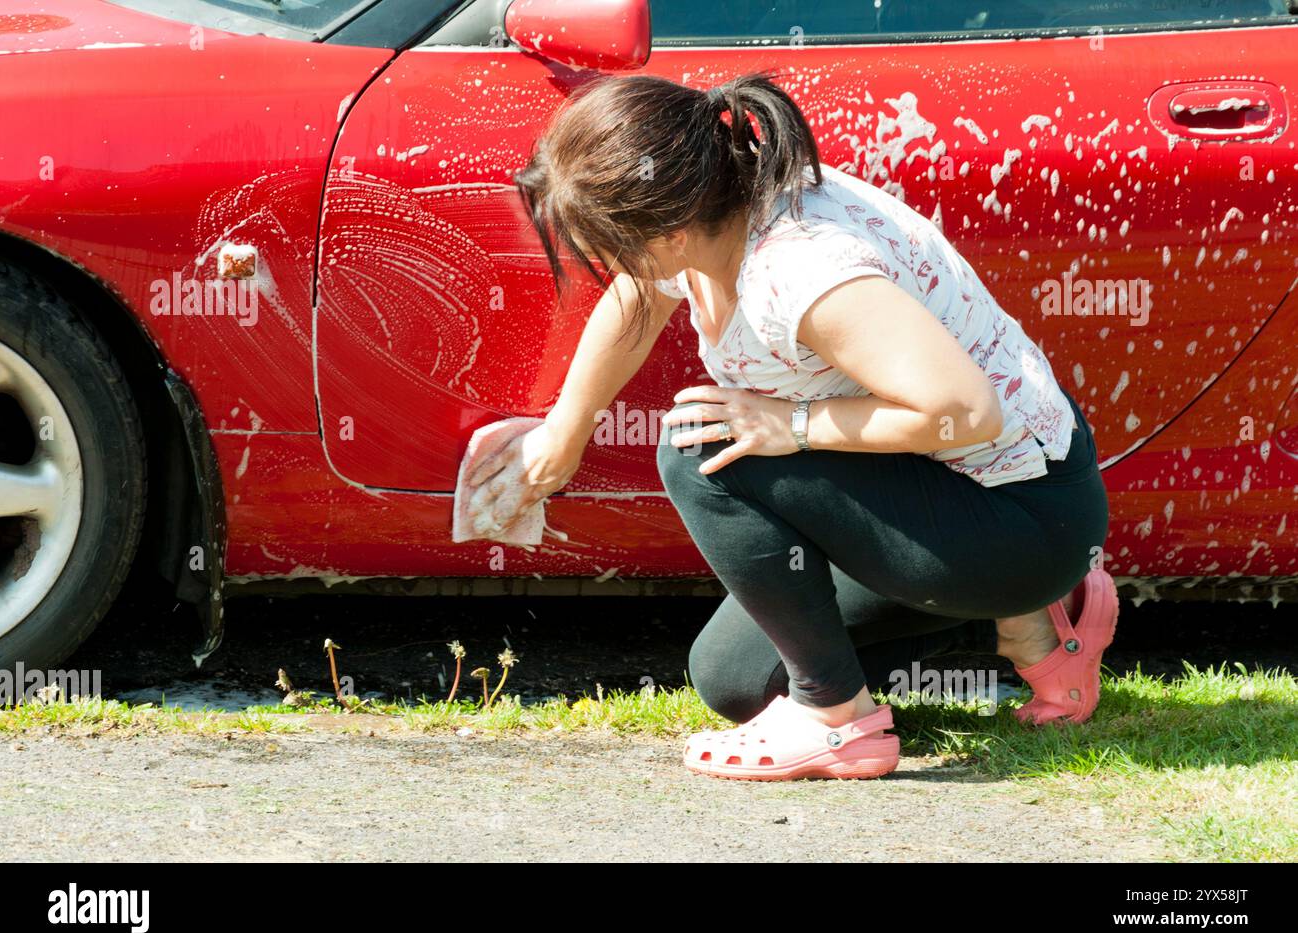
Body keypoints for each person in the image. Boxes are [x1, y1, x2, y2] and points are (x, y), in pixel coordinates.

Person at [465, 70, 1118, 781]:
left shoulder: (800, 271)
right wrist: (563, 434)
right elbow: (642, 297)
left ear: (670, 233)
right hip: (942, 496)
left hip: (1020, 516)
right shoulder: (711, 203)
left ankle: (841, 723)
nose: (605, 267)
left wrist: (792, 422)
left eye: (609, 247)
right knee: (736, 679)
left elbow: (964, 410)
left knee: (701, 444)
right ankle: (1026, 621)